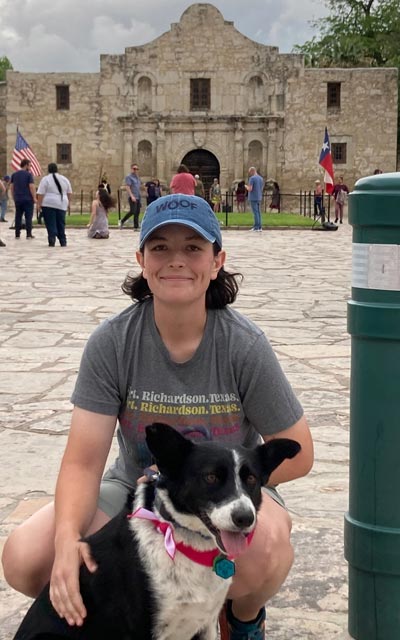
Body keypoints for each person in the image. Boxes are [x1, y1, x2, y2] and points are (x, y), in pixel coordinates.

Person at [2, 193, 313, 640]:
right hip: (136, 487)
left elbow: (299, 452)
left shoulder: (244, 346)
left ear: (217, 260)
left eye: (193, 247)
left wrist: (231, 483)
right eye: (160, 247)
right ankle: (114, 616)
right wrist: (67, 540)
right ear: (142, 260)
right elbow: (83, 461)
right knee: (27, 556)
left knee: (265, 549)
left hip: (225, 489)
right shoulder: (113, 343)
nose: (176, 261)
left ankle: (241, 617)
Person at [37, 163, 72, 247]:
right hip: (61, 203)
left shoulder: (45, 179)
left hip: (48, 203)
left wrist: (39, 204)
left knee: (50, 222)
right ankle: (62, 240)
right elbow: (69, 192)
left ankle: (52, 238)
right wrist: (68, 202)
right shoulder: (64, 179)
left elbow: (41, 193)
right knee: (61, 222)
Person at [10, 158, 37, 239]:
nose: (30, 167)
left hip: (18, 198)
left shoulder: (14, 175)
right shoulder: (29, 175)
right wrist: (34, 197)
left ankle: (17, 233)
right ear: (26, 165)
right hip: (27, 199)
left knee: (18, 216)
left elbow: (12, 187)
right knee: (28, 216)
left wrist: (13, 196)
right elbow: (31, 186)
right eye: (30, 166)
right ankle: (29, 234)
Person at [120, 163, 141, 230]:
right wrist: (132, 196)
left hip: (138, 196)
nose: (135, 170)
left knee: (137, 212)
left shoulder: (138, 178)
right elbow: (127, 187)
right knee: (132, 211)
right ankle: (122, 221)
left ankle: (136, 226)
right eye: (134, 169)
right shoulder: (129, 177)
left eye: (137, 169)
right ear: (131, 169)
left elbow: (138, 187)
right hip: (132, 196)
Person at [246, 167, 264, 231]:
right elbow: (261, 188)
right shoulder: (261, 178)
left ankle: (256, 227)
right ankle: (260, 227)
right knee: (258, 212)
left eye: (250, 172)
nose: (249, 174)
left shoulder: (252, 178)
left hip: (253, 197)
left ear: (252, 171)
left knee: (255, 212)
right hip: (259, 197)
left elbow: (250, 189)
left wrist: (246, 187)